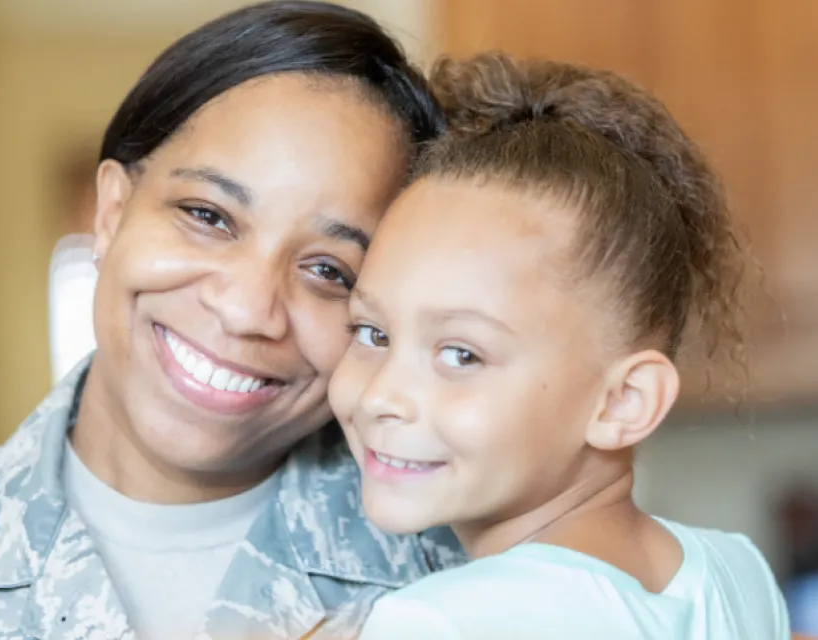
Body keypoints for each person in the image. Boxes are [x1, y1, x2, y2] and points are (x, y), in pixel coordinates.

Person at [0, 3, 465, 639]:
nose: (246, 310)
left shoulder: (468, 571)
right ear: (111, 212)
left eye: (330, 272)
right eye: (209, 216)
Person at [328, 53, 790, 638]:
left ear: (624, 401)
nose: (379, 397)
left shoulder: (437, 622)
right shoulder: (739, 572)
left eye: (462, 354)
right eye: (372, 334)